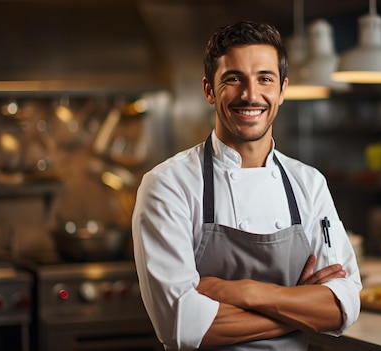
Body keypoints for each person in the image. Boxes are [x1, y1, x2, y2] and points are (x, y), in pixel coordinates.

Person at [132, 20, 362, 351]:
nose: (250, 95)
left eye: (264, 79)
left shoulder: (308, 183)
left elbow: (344, 306)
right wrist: (299, 303)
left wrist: (245, 292)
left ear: (282, 90)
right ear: (209, 90)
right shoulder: (168, 185)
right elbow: (179, 326)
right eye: (233, 79)